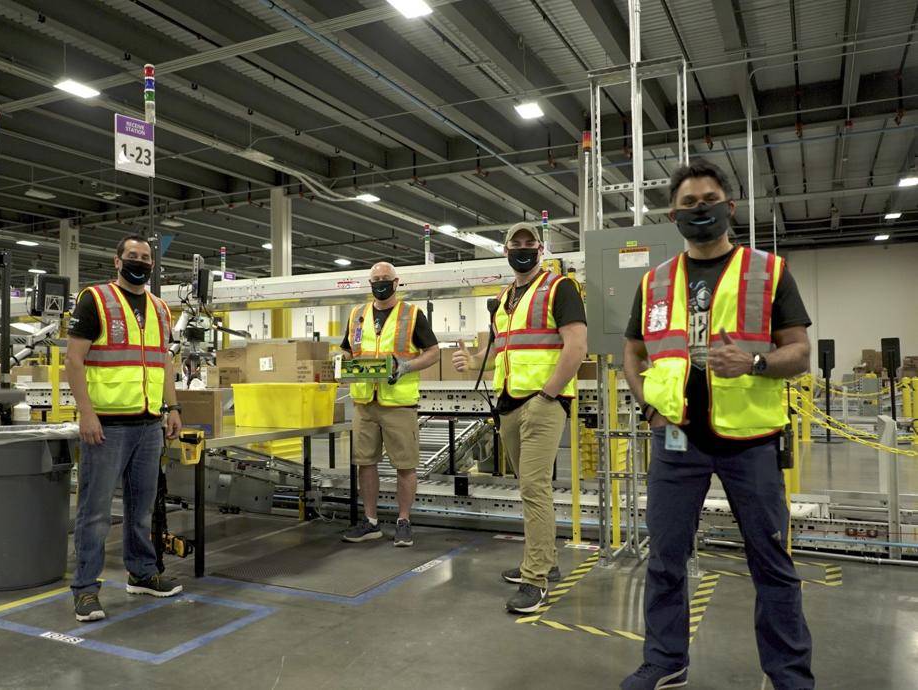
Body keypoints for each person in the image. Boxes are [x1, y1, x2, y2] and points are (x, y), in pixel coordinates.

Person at [620, 159, 814, 690]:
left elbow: (799, 353)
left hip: (750, 441)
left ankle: (789, 673)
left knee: (771, 560)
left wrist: (753, 363)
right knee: (664, 557)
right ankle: (666, 660)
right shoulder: (654, 281)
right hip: (675, 438)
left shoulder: (767, 272)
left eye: (708, 199)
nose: (699, 208)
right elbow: (632, 352)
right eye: (688, 203)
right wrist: (648, 405)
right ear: (673, 215)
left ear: (729, 206)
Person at [453, 222, 587, 614]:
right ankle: (546, 560)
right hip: (509, 402)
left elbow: (577, 346)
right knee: (528, 486)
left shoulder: (559, 288)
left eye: (530, 243)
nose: (523, 248)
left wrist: (548, 393)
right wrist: (473, 360)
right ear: (505, 249)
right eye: (517, 243)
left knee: (533, 487)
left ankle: (535, 580)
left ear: (541, 249)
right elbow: (502, 348)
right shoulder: (504, 297)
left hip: (542, 401)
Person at [65, 234, 184, 623]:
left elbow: (164, 361)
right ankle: (85, 590)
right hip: (108, 425)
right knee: (96, 512)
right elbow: (74, 360)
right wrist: (86, 412)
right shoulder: (94, 299)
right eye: (132, 255)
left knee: (141, 508)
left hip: (149, 424)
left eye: (145, 257)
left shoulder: (160, 308)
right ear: (117, 262)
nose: (139, 261)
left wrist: (173, 408)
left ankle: (142, 573)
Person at [340, 262, 440, 547]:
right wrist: (344, 366)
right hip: (364, 402)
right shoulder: (357, 314)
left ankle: (404, 521)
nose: (380, 283)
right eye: (376, 279)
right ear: (370, 283)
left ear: (396, 283)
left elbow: (432, 353)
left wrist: (405, 367)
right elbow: (347, 350)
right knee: (365, 462)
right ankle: (370, 521)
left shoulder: (412, 314)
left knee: (405, 465)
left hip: (398, 403)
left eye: (386, 279)